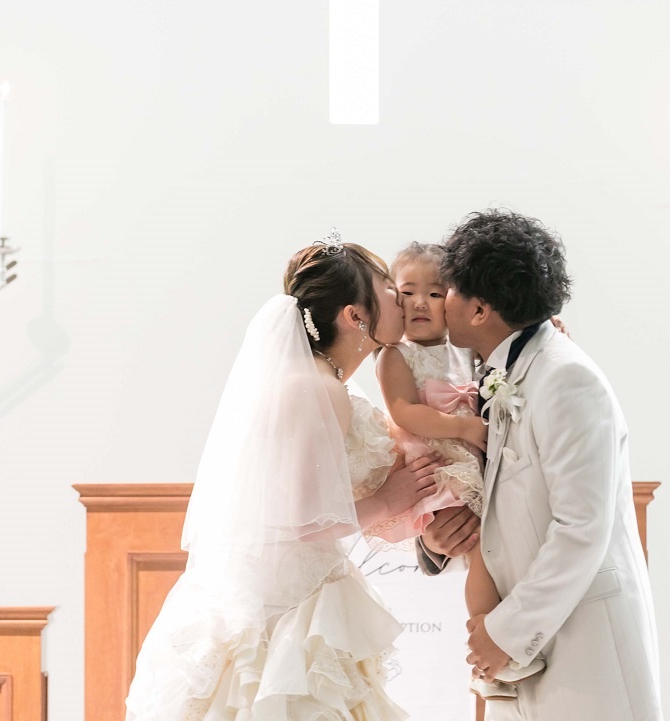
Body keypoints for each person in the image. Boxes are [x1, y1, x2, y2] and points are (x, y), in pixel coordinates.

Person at [124, 229, 443, 721]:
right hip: (285, 611)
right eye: (388, 288)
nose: (402, 298)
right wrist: (387, 500)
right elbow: (302, 519)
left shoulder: (327, 381)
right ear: (355, 316)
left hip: (302, 591)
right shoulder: (315, 386)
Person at [421, 209, 663, 721]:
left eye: (450, 290)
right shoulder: (493, 373)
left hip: (585, 652)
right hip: (525, 662)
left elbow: (582, 527)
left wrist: (505, 634)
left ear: (480, 310)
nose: (441, 301)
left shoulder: (567, 379)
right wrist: (434, 542)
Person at [370, 242, 545, 701]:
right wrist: (464, 427)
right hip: (439, 464)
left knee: (497, 552)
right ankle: (487, 651)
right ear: (392, 299)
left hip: (474, 462)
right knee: (481, 551)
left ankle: (502, 647)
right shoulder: (394, 355)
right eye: (408, 292)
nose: (421, 303)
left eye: (435, 293)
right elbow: (404, 411)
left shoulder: (467, 352)